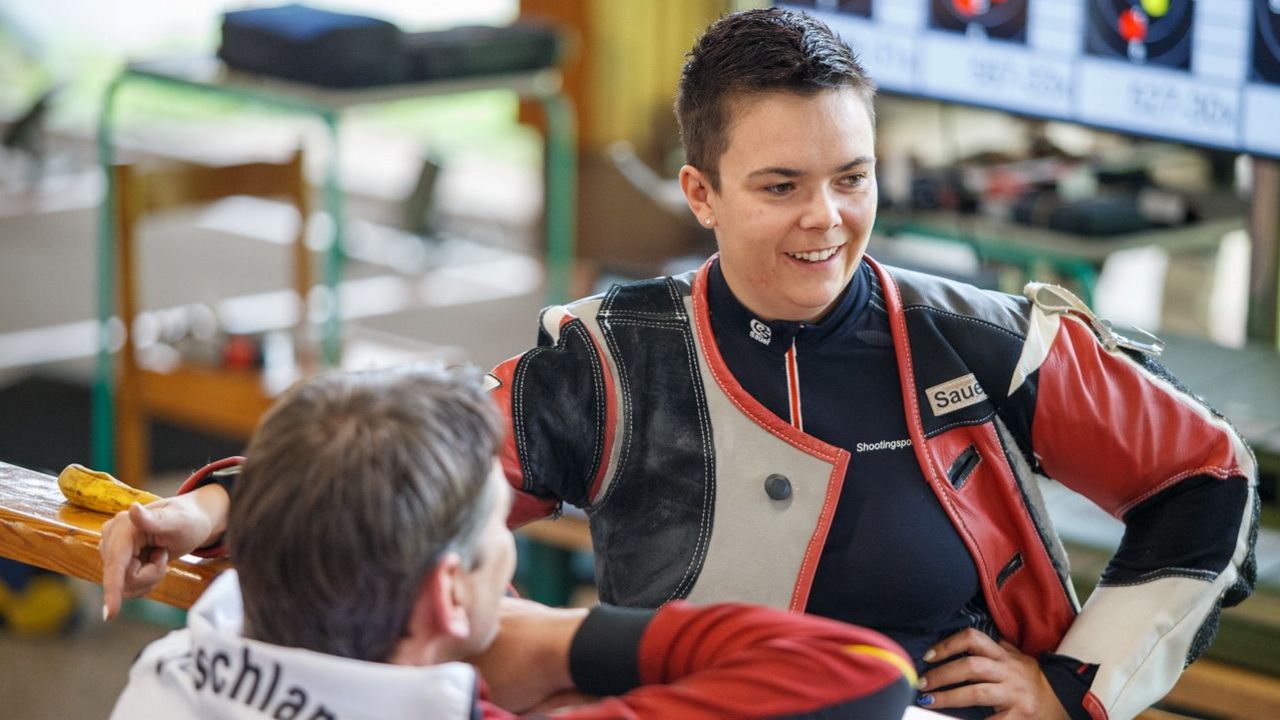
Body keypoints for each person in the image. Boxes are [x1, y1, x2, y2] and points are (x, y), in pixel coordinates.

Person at [102, 8, 1259, 720]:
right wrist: (208, 512)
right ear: (697, 193)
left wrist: (1072, 689)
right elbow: (400, 472)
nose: (826, 219)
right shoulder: (611, 359)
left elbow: (1204, 479)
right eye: (779, 185)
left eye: (851, 176)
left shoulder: (981, 341)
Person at [107, 366, 916, 719]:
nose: (512, 559)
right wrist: (560, 637)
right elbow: (867, 673)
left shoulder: (167, 674)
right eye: (499, 535)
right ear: (446, 595)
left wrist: (220, 503)